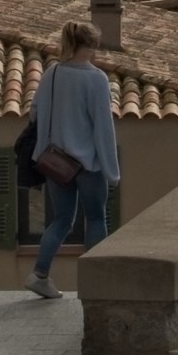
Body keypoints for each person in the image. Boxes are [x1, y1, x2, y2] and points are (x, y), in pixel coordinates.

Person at [25, 18, 120, 299]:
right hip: (89, 164)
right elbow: (103, 127)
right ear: (90, 45)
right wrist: (112, 171)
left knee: (61, 220)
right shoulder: (96, 79)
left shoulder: (52, 74)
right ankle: (96, 284)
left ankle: (39, 274)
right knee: (96, 218)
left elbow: (35, 112)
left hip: (57, 163)